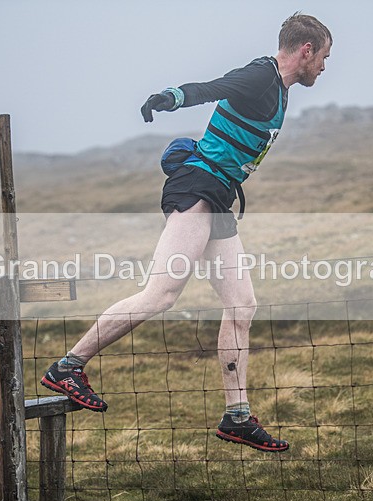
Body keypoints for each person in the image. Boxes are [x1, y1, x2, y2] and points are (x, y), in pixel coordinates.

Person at [42, 12, 332, 453]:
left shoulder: (279, 89)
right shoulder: (261, 74)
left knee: (242, 304)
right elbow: (214, 87)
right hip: (196, 187)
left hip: (217, 196)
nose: (325, 68)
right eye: (325, 57)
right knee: (161, 294)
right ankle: (68, 367)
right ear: (306, 50)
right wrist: (171, 97)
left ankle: (237, 417)